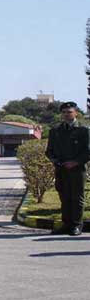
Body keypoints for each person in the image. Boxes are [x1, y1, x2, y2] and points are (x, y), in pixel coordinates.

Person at [46, 101, 90, 236]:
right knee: (64, 197)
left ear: (76, 113)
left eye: (69, 112)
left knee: (77, 198)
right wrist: (56, 162)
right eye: (64, 112)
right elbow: (49, 151)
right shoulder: (55, 131)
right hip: (61, 169)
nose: (66, 114)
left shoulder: (84, 130)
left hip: (77, 170)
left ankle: (76, 225)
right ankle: (66, 224)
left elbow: (88, 151)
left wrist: (76, 162)